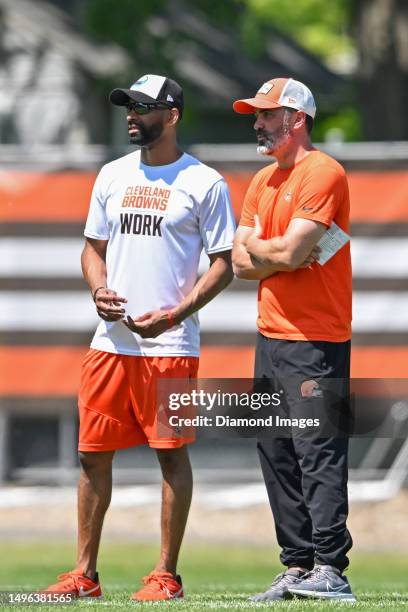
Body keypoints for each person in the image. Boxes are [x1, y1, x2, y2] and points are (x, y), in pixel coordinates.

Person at [43, 74, 235, 601]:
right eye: (128, 105)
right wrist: (98, 288)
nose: (132, 114)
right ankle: (84, 574)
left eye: (144, 107)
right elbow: (92, 248)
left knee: (170, 454)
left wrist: (175, 315)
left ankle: (165, 575)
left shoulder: (204, 182)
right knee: (91, 454)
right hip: (110, 342)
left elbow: (224, 265)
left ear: (172, 116)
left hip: (170, 346)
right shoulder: (110, 174)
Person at [231, 78, 355, 602]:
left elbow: (286, 254)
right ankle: (298, 565)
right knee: (277, 452)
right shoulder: (262, 179)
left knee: (316, 452)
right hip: (271, 334)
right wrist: (272, 250)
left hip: (315, 339)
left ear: (296, 119)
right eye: (255, 115)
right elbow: (240, 263)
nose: (257, 123)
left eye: (266, 114)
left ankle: (332, 567)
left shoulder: (323, 171)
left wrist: (269, 250)